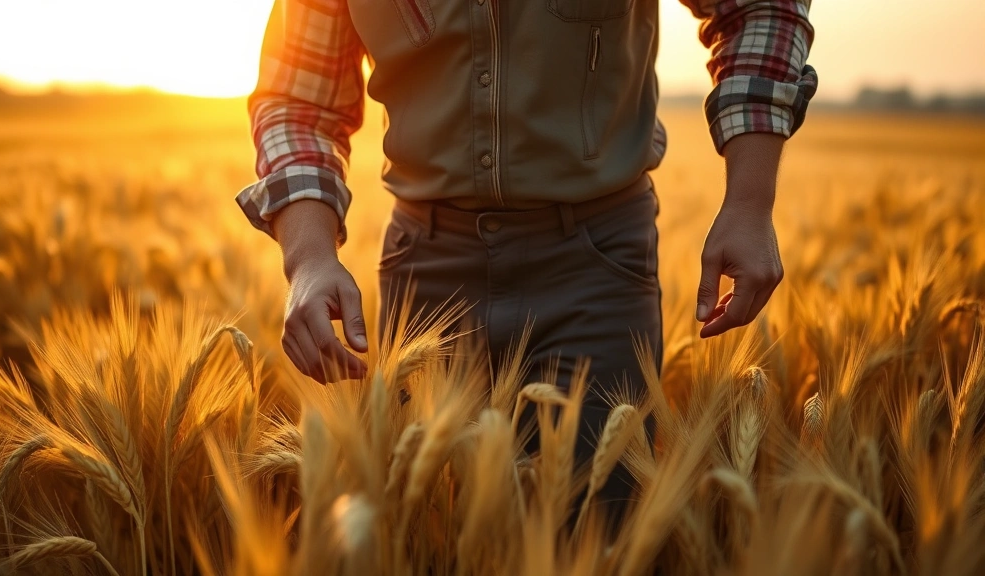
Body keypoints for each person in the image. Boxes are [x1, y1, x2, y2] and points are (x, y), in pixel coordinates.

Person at [236, 0, 817, 517]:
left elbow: (758, 7)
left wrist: (750, 200)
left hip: (596, 266)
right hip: (427, 271)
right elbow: (298, 98)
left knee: (596, 530)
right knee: (431, 528)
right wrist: (308, 255)